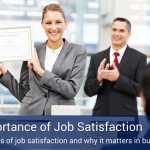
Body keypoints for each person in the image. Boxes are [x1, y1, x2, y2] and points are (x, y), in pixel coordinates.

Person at [0, 3, 86, 115]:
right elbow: (24, 94)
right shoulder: (32, 50)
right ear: (42, 25)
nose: (53, 27)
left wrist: (40, 71)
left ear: (66, 24)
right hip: (30, 118)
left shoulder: (77, 52)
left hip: (61, 120)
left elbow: (71, 90)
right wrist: (4, 74)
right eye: (48, 23)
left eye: (58, 22)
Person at [84, 17, 147, 116]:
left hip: (127, 118)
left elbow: (142, 90)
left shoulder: (139, 58)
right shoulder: (97, 58)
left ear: (129, 34)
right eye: (114, 30)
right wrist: (99, 79)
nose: (117, 34)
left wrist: (118, 78)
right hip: (101, 118)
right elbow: (88, 90)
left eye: (121, 31)